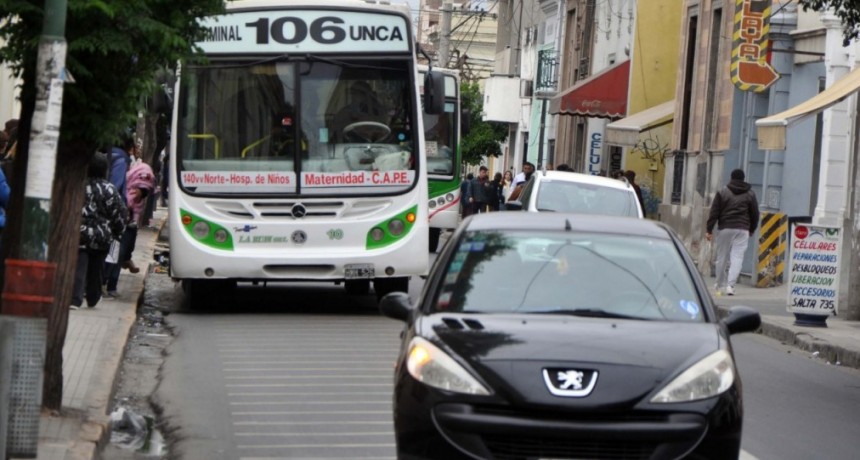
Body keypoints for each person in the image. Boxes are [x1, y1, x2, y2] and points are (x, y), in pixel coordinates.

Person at [72, 153, 127, 310]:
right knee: (97, 269)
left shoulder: (79, 186)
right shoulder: (109, 189)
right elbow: (119, 212)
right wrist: (118, 231)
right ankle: (93, 297)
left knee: (80, 265)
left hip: (80, 233)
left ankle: (75, 299)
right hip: (101, 236)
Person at [706, 168, 760, 296]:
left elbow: (714, 212)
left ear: (731, 178)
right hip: (742, 229)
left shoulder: (722, 192)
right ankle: (730, 286)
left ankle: (719, 285)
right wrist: (751, 229)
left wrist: (709, 229)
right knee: (737, 257)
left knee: (722, 257)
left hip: (725, 228)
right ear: (743, 179)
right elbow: (755, 214)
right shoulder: (750, 194)